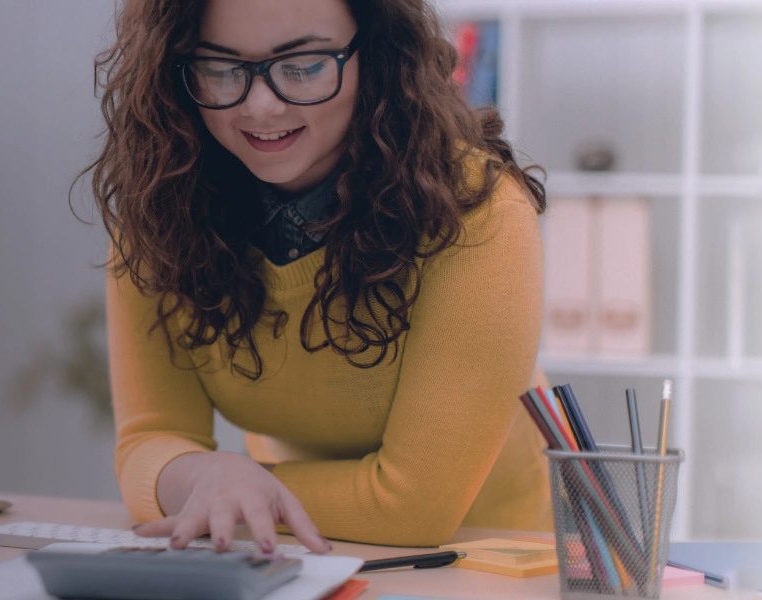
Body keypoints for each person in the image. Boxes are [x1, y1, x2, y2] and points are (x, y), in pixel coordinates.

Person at [87, 0, 551, 551]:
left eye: (303, 66)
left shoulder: (478, 209)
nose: (260, 106)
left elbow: (412, 508)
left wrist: (236, 494)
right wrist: (210, 479)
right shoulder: (163, 208)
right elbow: (150, 439)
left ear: (375, 55)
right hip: (299, 549)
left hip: (489, 561)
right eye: (219, 68)